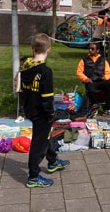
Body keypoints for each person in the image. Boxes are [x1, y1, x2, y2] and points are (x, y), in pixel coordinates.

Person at [20, 34, 69, 188]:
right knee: (38, 143)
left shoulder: (24, 68)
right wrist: (50, 114)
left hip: (30, 109)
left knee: (45, 137)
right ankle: (33, 177)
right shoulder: (46, 72)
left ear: (32, 49)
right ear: (49, 49)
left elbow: (22, 92)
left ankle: (52, 161)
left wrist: (25, 109)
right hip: (42, 113)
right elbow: (47, 98)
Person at [76, 42, 110, 117]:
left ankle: (107, 108)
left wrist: (105, 77)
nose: (90, 50)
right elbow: (79, 73)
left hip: (101, 81)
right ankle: (95, 104)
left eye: (92, 49)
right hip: (90, 81)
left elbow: (108, 73)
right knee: (90, 89)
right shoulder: (84, 60)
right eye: (89, 49)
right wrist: (86, 79)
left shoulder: (103, 60)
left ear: (97, 50)